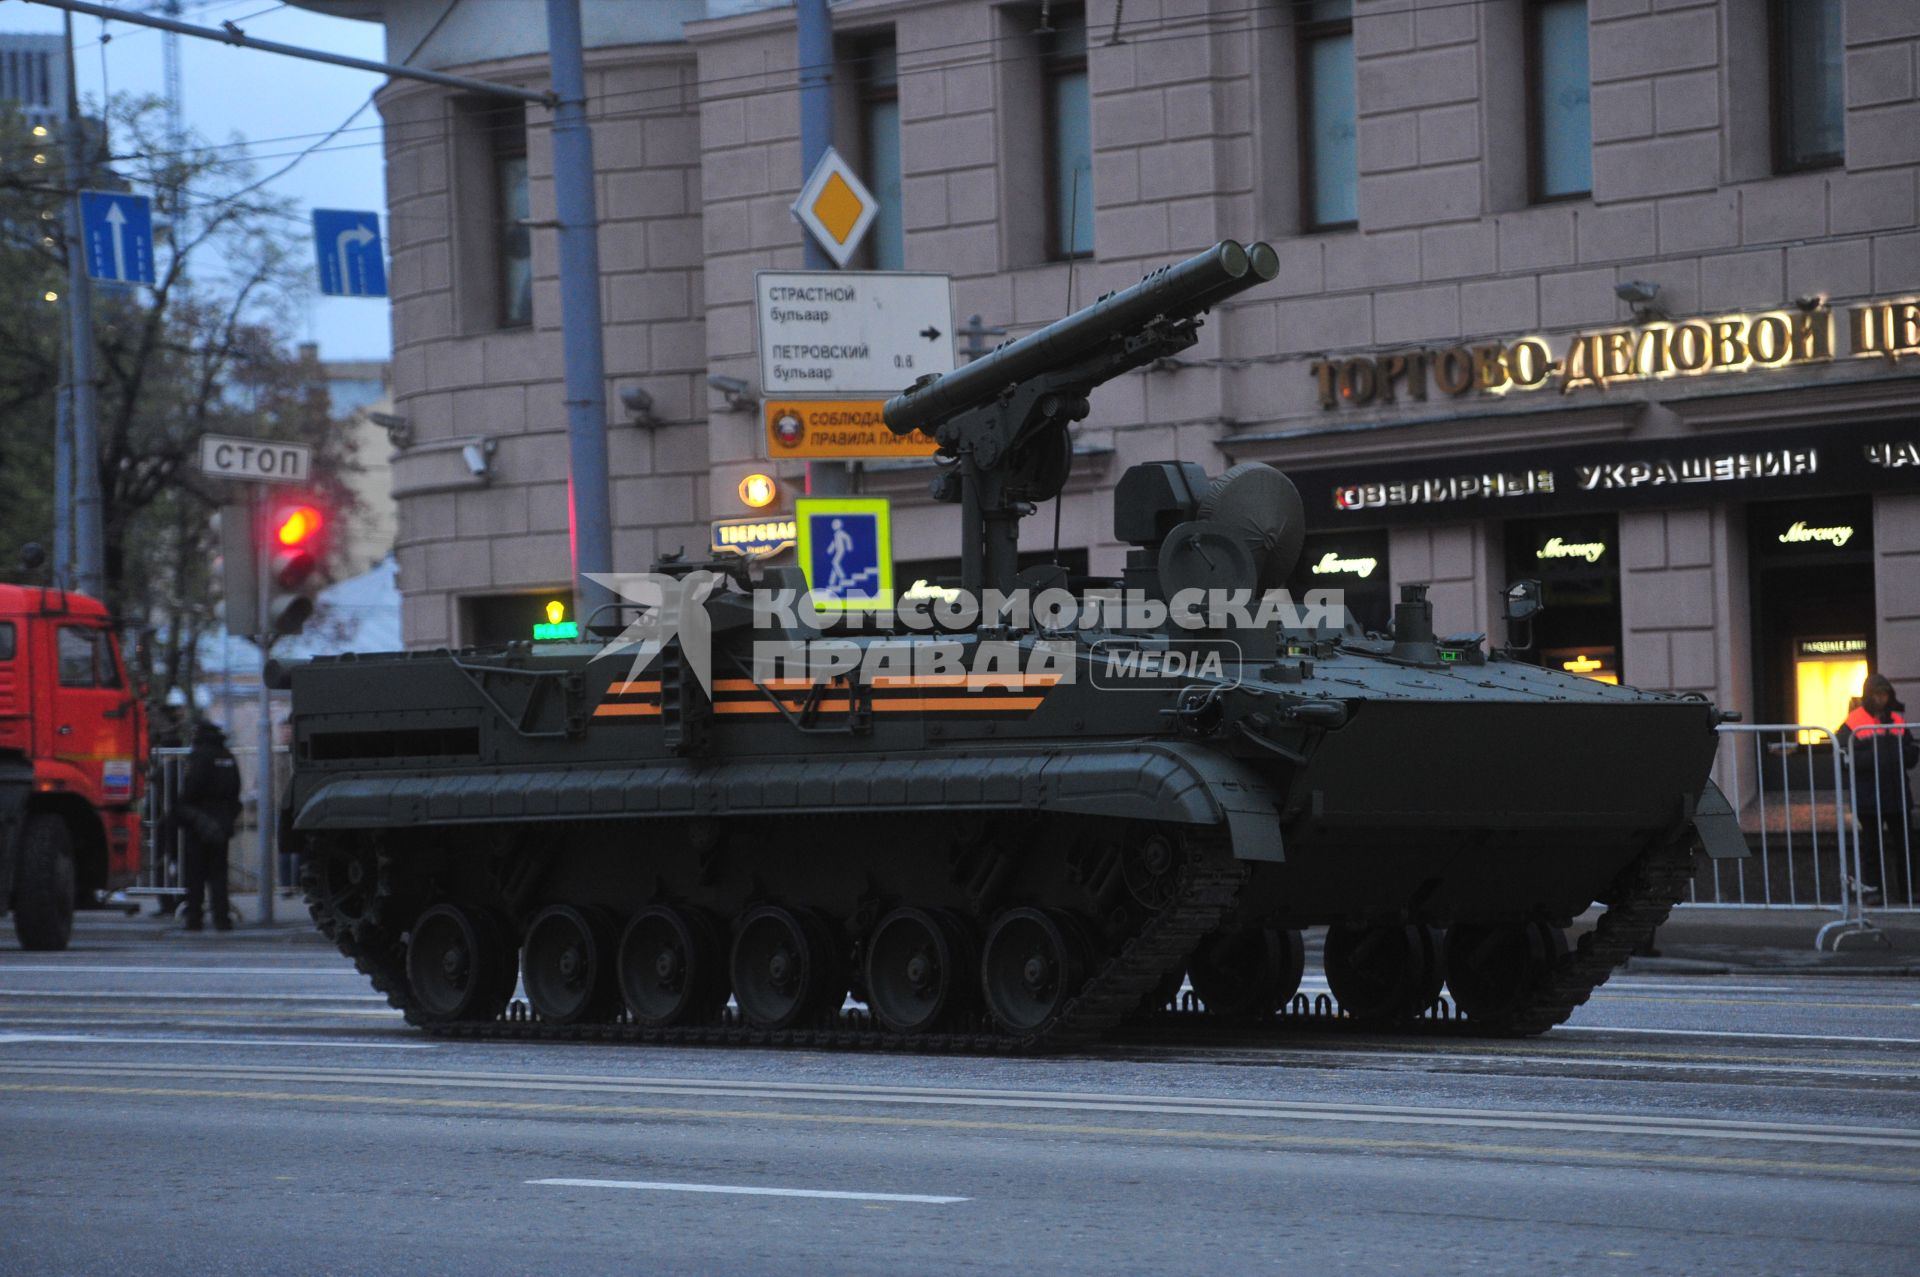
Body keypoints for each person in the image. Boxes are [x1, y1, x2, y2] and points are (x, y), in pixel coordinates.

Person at [1838, 673, 1917, 905]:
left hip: (1896, 794)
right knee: (1872, 848)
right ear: (1868, 696)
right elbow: (1844, 756)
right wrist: (1878, 756)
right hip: (1870, 797)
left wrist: (1898, 755)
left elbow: (1911, 752)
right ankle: (1874, 892)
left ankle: (1910, 891)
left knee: (1906, 847)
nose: (1881, 699)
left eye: (1884, 694)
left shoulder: (1897, 720)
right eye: (1877, 694)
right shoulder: (1854, 721)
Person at [176, 720, 243, 932]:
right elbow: (235, 790)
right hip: (222, 822)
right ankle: (222, 918)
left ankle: (194, 918)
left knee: (195, 874)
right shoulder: (227, 756)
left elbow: (191, 789)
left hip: (200, 822)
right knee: (218, 874)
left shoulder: (199, 756)